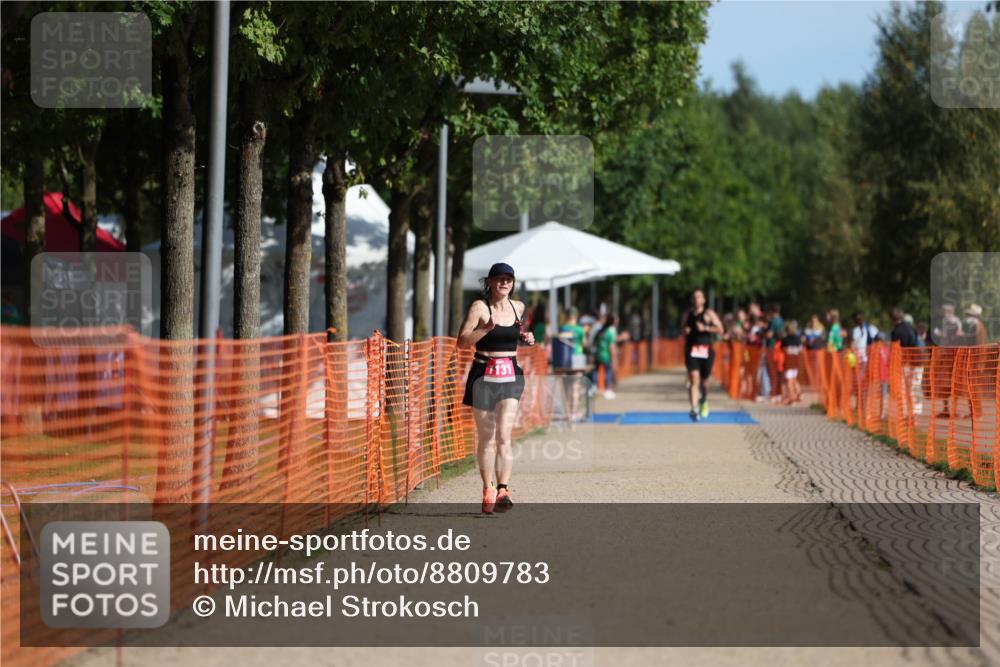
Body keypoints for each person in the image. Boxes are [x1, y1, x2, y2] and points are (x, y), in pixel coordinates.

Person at [458, 262, 535, 514]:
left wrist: (527, 338)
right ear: (489, 282)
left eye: (509, 279)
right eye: (499, 279)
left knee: (504, 436)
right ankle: (487, 487)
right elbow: (462, 342)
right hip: (483, 374)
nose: (504, 283)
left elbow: (514, 336)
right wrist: (484, 329)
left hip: (510, 374)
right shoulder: (480, 307)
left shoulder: (518, 307)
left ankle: (503, 489)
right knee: (487, 438)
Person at [682, 289, 724, 421]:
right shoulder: (687, 314)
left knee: (705, 382)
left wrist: (706, 328)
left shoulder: (709, 314)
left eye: (699, 297)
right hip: (692, 350)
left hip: (706, 350)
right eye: (694, 297)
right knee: (694, 378)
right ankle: (694, 409)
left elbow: (720, 329)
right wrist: (685, 330)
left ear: (704, 300)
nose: (696, 299)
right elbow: (682, 329)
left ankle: (704, 400)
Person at [593, 314, 620, 399]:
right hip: (606, 355)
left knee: (596, 371)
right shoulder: (610, 332)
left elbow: (594, 342)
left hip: (598, 354)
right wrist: (614, 357)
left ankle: (594, 387)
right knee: (608, 372)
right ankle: (608, 390)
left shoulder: (600, 331)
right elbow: (611, 346)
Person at [780, 321, 803, 404]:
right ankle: (798, 390)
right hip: (796, 360)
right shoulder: (798, 339)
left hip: (789, 361)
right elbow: (801, 349)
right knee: (794, 378)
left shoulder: (785, 340)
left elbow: (782, 349)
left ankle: (792, 396)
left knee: (789, 380)